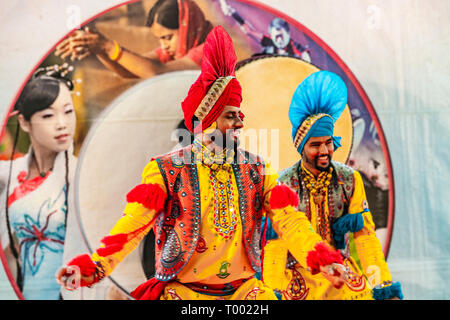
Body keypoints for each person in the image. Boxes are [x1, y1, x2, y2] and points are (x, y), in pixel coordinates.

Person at [56, 26, 346, 300]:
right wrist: (92, 268)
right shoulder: (167, 170)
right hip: (183, 293)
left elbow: (291, 222)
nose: (241, 121)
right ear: (207, 119)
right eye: (231, 114)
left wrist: (322, 257)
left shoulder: (258, 170)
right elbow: (132, 227)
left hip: (243, 293)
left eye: (240, 114)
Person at [261, 70, 403, 300]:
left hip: (340, 274)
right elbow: (276, 244)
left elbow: (365, 238)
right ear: (301, 148)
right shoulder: (284, 184)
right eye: (316, 145)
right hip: (297, 275)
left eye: (328, 142)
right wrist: (272, 292)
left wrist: (383, 287)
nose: (325, 151)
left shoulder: (349, 180)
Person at [0, 64, 78, 300]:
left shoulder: (82, 175)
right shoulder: (8, 175)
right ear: (24, 123)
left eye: (68, 111)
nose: (62, 123)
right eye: (47, 115)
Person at [55, 0, 213, 79]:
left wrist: (108, 46)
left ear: (187, 27)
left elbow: (155, 72)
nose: (164, 46)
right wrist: (98, 48)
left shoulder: (209, 50)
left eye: (167, 38)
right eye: (160, 39)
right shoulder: (174, 51)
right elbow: (131, 70)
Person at [218, 0, 311, 62]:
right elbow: (248, 30)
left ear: (287, 33)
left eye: (281, 36)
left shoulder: (299, 50)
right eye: (276, 37)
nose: (279, 41)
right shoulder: (269, 42)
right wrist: (233, 13)